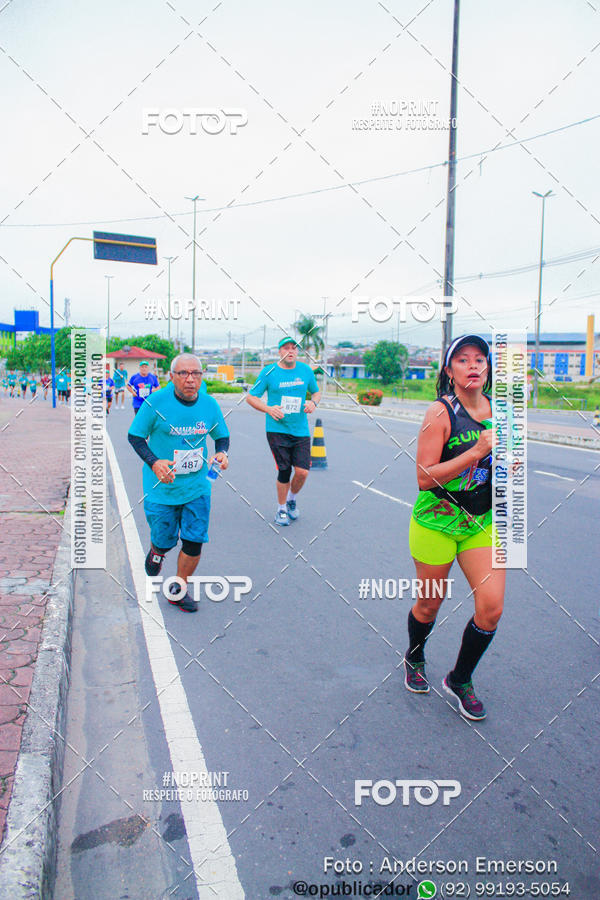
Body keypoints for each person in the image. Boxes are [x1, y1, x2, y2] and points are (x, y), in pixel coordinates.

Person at [404, 334, 503, 721]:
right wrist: (477, 451)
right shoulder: (440, 412)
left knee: (491, 609)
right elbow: (424, 478)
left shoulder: (501, 411)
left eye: (480, 358)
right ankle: (414, 657)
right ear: (450, 370)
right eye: (463, 360)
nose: (474, 365)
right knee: (429, 604)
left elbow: (504, 472)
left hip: (480, 521)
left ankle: (460, 679)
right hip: (437, 522)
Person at [128, 353, 230, 613]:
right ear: (171, 376)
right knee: (164, 540)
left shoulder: (209, 404)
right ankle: (157, 551)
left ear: (201, 377)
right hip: (161, 489)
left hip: (197, 487)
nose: (190, 379)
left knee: (194, 540)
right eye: (183, 373)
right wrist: (154, 462)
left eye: (195, 373)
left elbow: (222, 436)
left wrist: (221, 453)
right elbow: (135, 437)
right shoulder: (155, 402)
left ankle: (178, 588)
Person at [246, 336, 321, 526]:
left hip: (301, 430)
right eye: (286, 348)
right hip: (277, 429)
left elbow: (316, 392)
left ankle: (291, 499)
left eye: (294, 348)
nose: (290, 351)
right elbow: (251, 397)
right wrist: (269, 409)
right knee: (285, 470)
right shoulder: (269, 371)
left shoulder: (305, 371)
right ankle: (281, 510)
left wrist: (313, 402)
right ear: (279, 351)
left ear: (298, 352)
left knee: (303, 472)